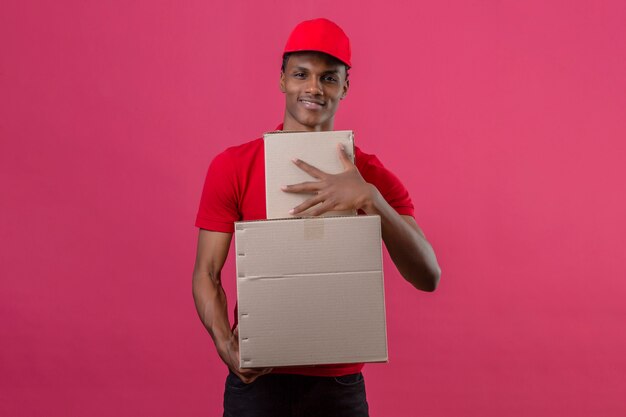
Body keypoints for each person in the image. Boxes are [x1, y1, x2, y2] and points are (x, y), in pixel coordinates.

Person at [192, 18, 441, 417]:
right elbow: (206, 272)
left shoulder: (371, 175)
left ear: (344, 86)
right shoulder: (234, 167)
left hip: (339, 387)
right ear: (282, 81)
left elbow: (428, 275)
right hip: (258, 382)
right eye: (301, 75)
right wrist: (224, 343)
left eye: (328, 77)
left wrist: (371, 199)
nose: (313, 88)